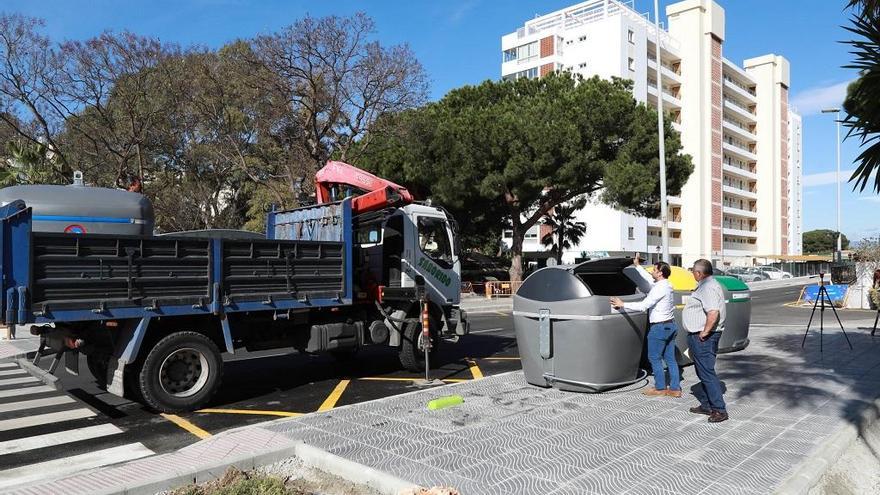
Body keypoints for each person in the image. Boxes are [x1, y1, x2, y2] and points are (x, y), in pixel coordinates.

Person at [610, 257, 681, 397]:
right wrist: (637, 266)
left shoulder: (659, 289)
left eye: (654, 270)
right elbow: (649, 279)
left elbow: (643, 306)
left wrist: (623, 304)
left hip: (659, 328)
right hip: (670, 326)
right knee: (671, 359)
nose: (652, 272)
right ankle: (675, 389)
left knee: (654, 358)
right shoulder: (666, 285)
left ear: (660, 273)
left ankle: (660, 388)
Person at [684, 259, 728, 423]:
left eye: (693, 271)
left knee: (707, 373)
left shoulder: (707, 287)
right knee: (703, 371)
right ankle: (707, 405)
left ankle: (719, 410)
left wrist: (704, 332)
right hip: (703, 336)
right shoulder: (710, 284)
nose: (693, 274)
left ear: (699, 273)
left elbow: (713, 312)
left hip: (703, 337)